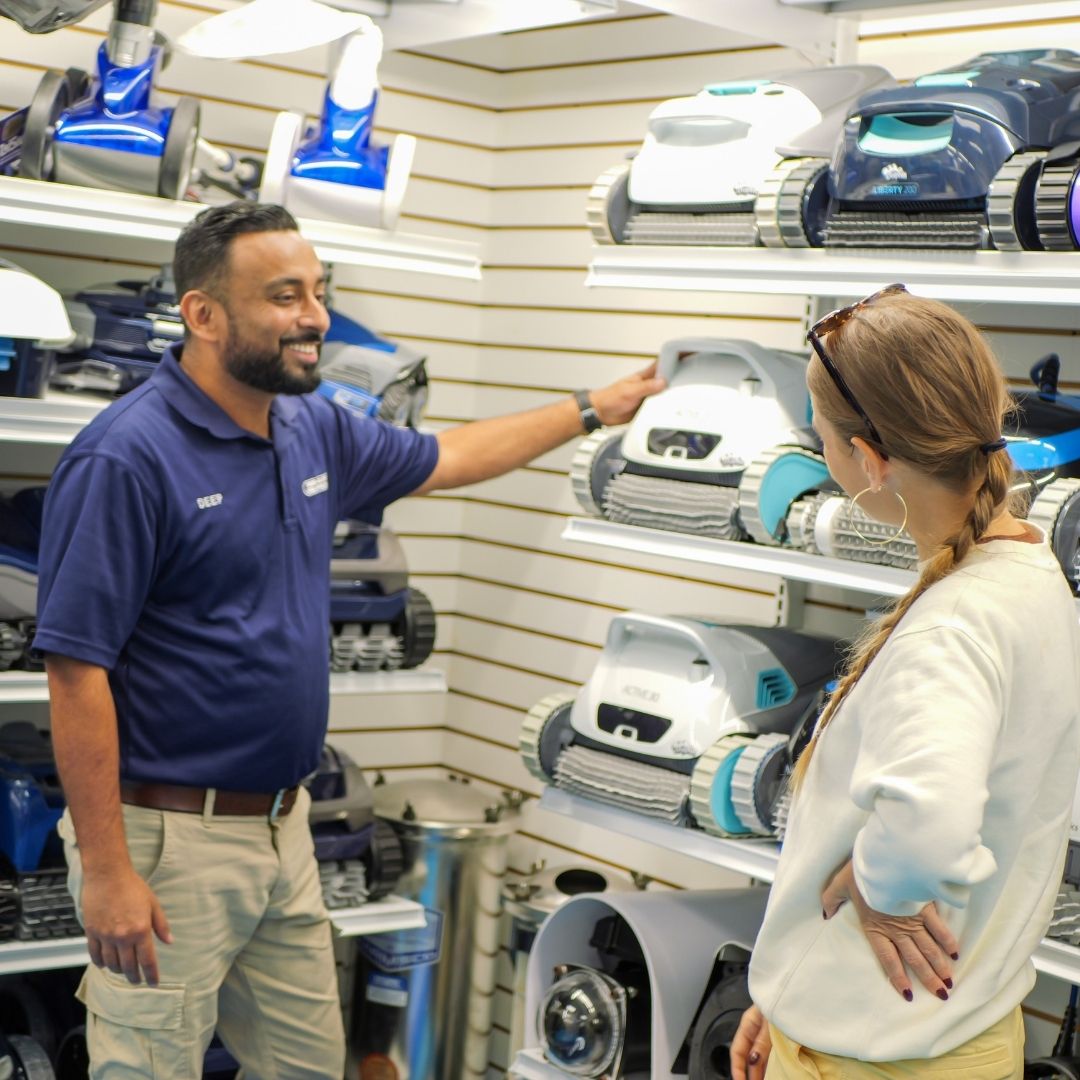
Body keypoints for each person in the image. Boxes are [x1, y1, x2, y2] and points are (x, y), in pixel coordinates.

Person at [35, 201, 664, 1078]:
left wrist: (593, 408)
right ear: (204, 315)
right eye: (285, 296)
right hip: (166, 838)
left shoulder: (310, 424)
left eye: (318, 292)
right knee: (147, 1067)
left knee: (307, 1066)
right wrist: (105, 872)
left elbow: (449, 456)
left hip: (283, 825)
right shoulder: (126, 458)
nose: (317, 318)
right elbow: (76, 675)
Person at [731, 286, 1080, 1080]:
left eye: (823, 439)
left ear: (871, 460)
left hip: (877, 1058)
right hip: (929, 1032)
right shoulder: (1026, 567)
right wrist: (793, 991)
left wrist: (884, 887)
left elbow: (927, 822)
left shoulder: (953, 624)